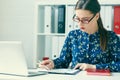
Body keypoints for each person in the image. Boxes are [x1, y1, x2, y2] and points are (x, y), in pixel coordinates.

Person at [39, 0, 120, 72]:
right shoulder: (72, 35)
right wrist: (52, 63)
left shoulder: (111, 37)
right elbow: (64, 61)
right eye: (77, 19)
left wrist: (94, 67)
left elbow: (118, 64)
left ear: (97, 16)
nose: (80, 24)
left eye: (85, 19)